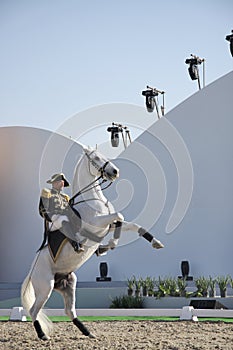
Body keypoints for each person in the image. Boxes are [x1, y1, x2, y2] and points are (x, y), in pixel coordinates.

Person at [39, 173, 84, 253]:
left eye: (63, 181)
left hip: (64, 217)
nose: (63, 183)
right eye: (60, 181)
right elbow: (42, 209)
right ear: (54, 183)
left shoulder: (65, 197)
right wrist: (51, 216)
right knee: (63, 220)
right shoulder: (47, 193)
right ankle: (75, 244)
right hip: (52, 221)